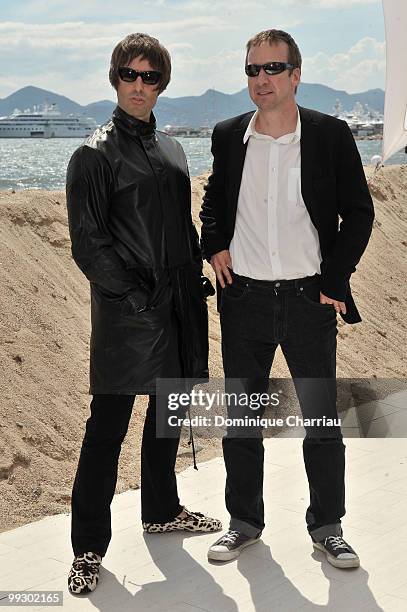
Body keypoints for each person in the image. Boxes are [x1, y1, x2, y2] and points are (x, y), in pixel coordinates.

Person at [200, 29, 374, 569]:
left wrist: (334, 280)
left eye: (273, 68)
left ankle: (329, 526)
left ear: (296, 75)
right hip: (243, 300)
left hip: (308, 301)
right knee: (242, 422)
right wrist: (215, 246)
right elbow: (213, 203)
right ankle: (244, 523)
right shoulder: (229, 135)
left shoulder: (330, 135)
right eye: (253, 70)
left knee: (321, 421)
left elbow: (359, 214)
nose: (261, 80)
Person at [65, 32, 221, 595]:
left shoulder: (174, 150)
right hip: (129, 312)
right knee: (106, 430)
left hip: (179, 306)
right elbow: (88, 243)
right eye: (130, 75)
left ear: (162, 84)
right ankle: (88, 548)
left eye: (150, 77)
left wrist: (195, 275)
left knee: (167, 417)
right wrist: (135, 298)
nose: (139, 86)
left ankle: (162, 510)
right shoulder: (93, 152)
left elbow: (179, 226)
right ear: (114, 78)